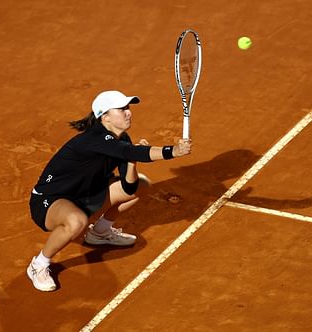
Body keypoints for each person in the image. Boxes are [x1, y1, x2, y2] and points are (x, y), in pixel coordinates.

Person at [27, 90, 192, 291]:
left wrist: (132, 162)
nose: (128, 112)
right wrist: (172, 151)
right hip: (50, 200)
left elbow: (129, 187)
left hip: (85, 196)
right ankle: (39, 264)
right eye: (121, 109)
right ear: (104, 117)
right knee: (76, 221)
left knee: (142, 185)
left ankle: (100, 233)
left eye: (128, 108)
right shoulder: (95, 137)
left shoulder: (123, 139)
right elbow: (127, 151)